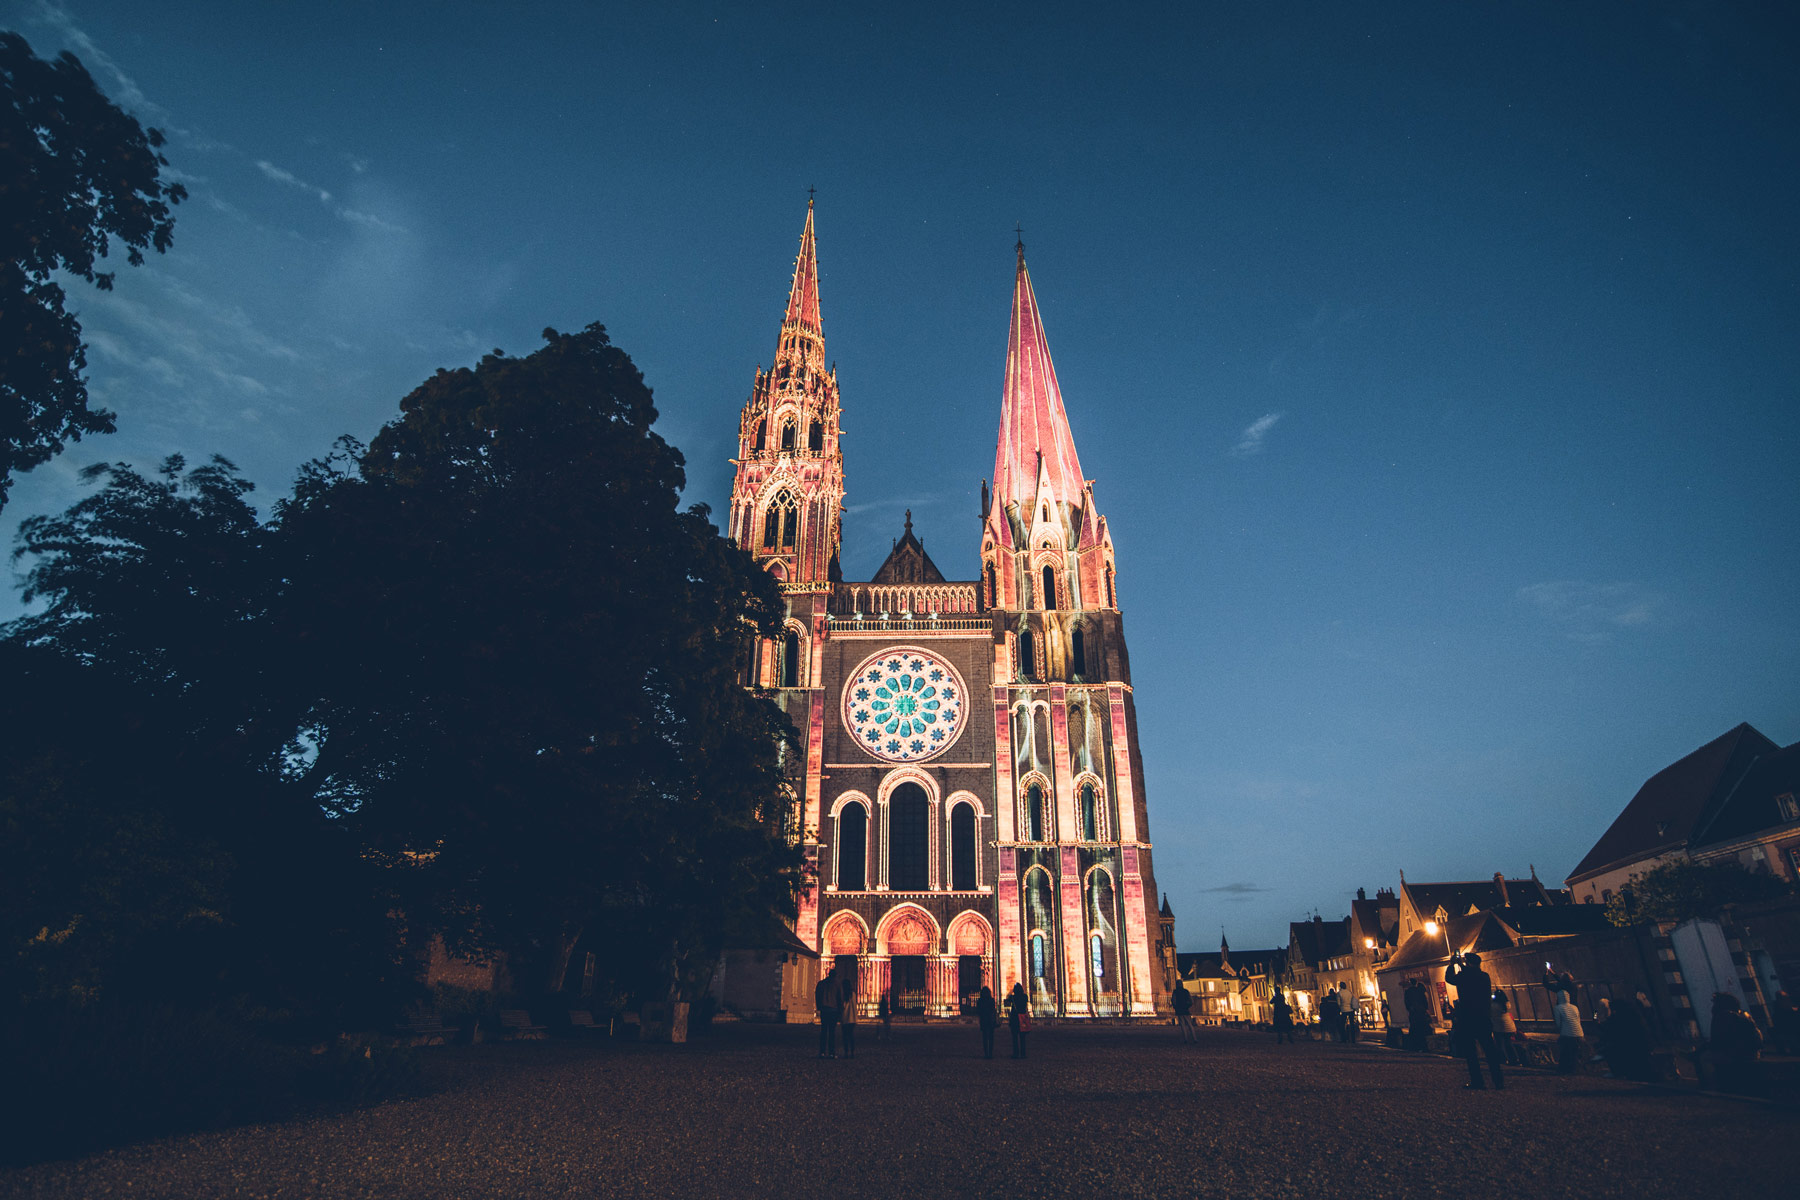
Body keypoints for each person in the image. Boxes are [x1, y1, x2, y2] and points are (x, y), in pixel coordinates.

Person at [1444, 951, 1503, 1089]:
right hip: (1483, 1017)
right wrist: (1462, 965)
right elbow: (1472, 974)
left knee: (1471, 1053)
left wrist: (1452, 964)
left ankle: (1477, 1081)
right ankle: (1498, 1080)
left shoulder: (1463, 976)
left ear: (1468, 963)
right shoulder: (1484, 976)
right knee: (1490, 1051)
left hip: (1468, 1018)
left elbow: (1449, 978)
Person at [1708, 992, 1764, 1096]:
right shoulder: (1744, 1015)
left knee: (1706, 1056)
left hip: (1735, 1054)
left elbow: (1718, 1040)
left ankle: (1712, 1085)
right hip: (1752, 1053)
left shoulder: (1722, 1016)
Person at [1601, 992, 1653, 1081]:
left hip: (1631, 1044)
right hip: (1643, 1043)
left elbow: (1612, 1031)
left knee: (1610, 1048)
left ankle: (1619, 1071)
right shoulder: (1633, 1013)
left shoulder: (1620, 1016)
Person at [1552, 987, 1585, 1074]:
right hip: (1580, 1034)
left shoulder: (1557, 1008)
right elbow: (1578, 1021)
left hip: (1567, 1035)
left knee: (1564, 1051)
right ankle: (1576, 1068)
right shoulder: (1575, 1007)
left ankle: (1564, 1069)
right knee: (1575, 1052)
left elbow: (1558, 1024)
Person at [1490, 987, 1523, 1067]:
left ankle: (1504, 1059)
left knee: (1500, 1044)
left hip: (1498, 1027)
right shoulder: (1507, 1004)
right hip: (1509, 1026)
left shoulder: (1493, 1005)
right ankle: (1515, 1059)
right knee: (1508, 1043)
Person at [815, 967, 842, 1059]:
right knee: (832, 1032)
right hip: (833, 1010)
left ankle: (822, 1052)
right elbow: (840, 998)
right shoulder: (837, 985)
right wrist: (840, 1011)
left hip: (824, 1010)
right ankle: (831, 1052)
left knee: (823, 1031)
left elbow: (817, 996)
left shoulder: (821, 984)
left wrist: (819, 1007)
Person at [838, 964, 859, 1059]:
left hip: (845, 1018)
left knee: (845, 1036)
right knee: (852, 1036)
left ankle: (846, 1052)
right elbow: (854, 1006)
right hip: (852, 1019)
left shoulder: (843, 994)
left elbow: (842, 1006)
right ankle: (852, 1052)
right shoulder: (853, 994)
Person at [1771, 989, 1800, 1057]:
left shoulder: (1780, 1003)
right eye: (1785, 995)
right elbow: (1788, 1010)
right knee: (1792, 1037)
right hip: (1788, 1025)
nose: (1787, 996)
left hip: (1788, 1024)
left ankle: (1795, 1049)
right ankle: (1795, 1050)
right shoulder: (1782, 1003)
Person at [1403, 979, 1430, 1051]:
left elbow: (1407, 1002)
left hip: (1414, 1012)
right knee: (1422, 1028)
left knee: (1414, 1028)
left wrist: (1410, 1008)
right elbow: (1425, 1001)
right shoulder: (1420, 991)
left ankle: (1415, 1045)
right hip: (1421, 1012)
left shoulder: (1408, 992)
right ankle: (1424, 1045)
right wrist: (1425, 1009)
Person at [1007, 982, 1030, 1059]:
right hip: (1022, 1017)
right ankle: (1023, 1054)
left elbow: (1006, 1004)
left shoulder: (1012, 997)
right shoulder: (1025, 997)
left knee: (1015, 1038)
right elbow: (1025, 1005)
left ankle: (1016, 1053)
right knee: (1022, 1038)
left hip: (1015, 1018)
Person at [976, 985, 999, 1059]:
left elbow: (978, 1010)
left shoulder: (980, 1000)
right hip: (990, 1020)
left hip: (984, 1020)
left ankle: (986, 1053)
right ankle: (990, 1053)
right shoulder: (991, 1000)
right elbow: (993, 1010)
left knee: (985, 1037)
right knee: (991, 1037)